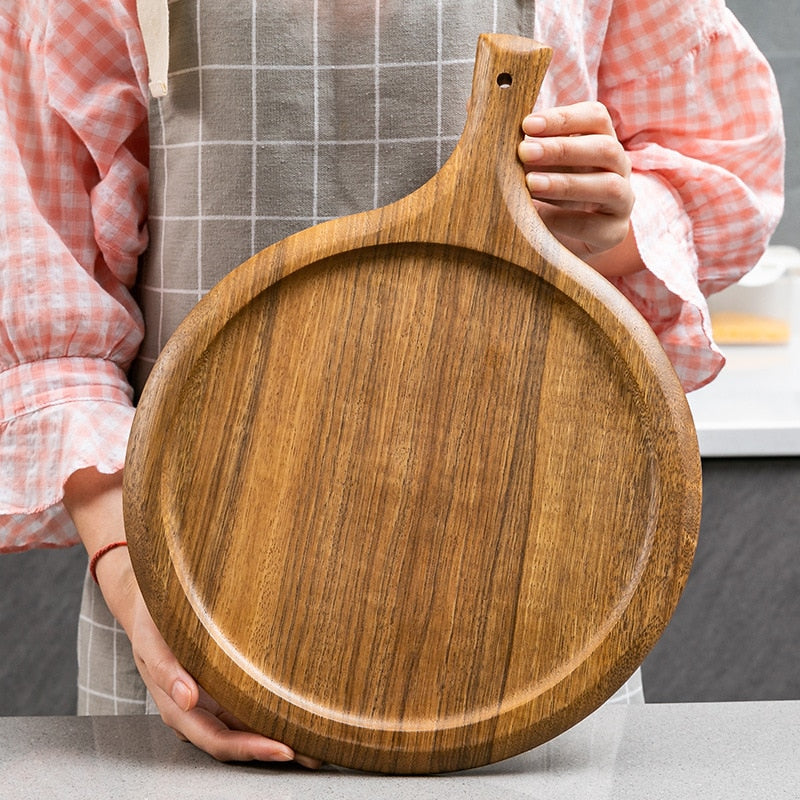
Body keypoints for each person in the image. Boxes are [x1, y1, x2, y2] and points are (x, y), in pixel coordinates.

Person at [0, 0, 784, 766]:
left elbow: (724, 168)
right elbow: (50, 324)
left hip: (537, 601)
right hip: (191, 607)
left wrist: (615, 227)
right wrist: (139, 589)